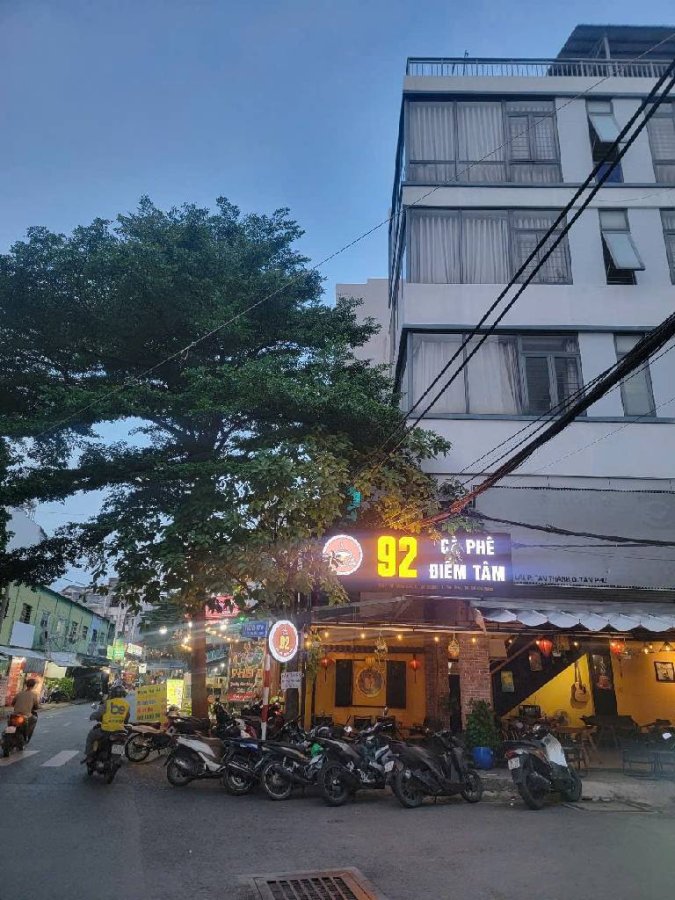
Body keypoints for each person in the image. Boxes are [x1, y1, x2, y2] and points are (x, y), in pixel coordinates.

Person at [85, 686, 131, 760]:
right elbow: (126, 719)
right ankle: (117, 759)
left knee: (91, 735)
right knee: (120, 744)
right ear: (123, 694)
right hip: (120, 731)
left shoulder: (108, 703)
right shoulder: (127, 704)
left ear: (112, 694)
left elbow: (98, 713)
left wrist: (92, 717)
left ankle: (89, 756)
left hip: (106, 730)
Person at [12, 678, 39, 743]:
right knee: (34, 719)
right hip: (26, 715)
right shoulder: (34, 695)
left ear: (26, 685)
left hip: (15, 714)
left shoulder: (19, 693)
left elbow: (13, 703)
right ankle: (27, 737)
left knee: (11, 721)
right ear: (33, 685)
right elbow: (36, 706)